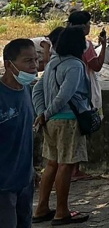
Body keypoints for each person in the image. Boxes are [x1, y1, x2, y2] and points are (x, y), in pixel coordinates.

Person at [31, 27, 92, 226]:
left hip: (51, 121)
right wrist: (47, 113)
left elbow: (37, 89)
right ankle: (62, 211)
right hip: (68, 120)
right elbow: (65, 94)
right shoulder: (75, 65)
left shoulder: (52, 63)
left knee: (51, 164)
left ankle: (41, 207)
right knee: (65, 165)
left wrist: (43, 113)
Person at [1, 40, 38, 228]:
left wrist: (32, 170)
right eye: (27, 61)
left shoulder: (26, 91)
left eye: (36, 60)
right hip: (3, 185)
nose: (34, 66)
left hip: (25, 180)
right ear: (8, 64)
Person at [66, 11, 106, 117]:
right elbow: (97, 66)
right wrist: (104, 46)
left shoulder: (61, 43)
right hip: (85, 88)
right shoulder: (86, 45)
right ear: (84, 26)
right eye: (89, 24)